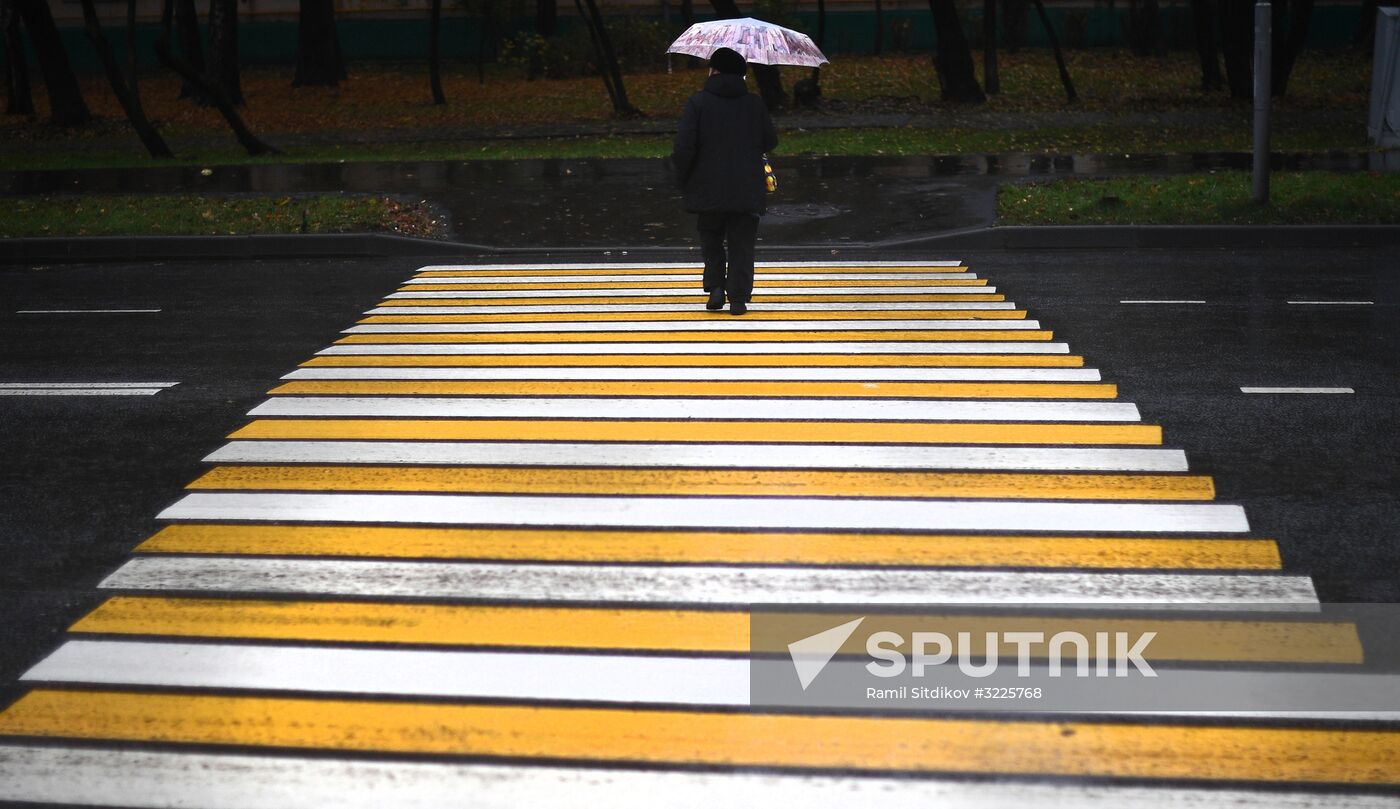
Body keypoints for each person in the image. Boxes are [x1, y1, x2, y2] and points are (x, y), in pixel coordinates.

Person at [670, 47, 778, 316]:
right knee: (742, 244)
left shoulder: (698, 103)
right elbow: (770, 141)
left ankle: (716, 289)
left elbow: (684, 148)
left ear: (713, 70)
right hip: (747, 188)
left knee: (712, 239)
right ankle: (739, 299)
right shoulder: (754, 103)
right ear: (742, 75)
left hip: (707, 188)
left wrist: (682, 180)